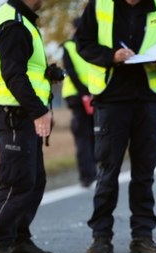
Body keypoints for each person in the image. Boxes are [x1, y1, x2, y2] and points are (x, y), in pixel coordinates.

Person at [75, 0, 156, 253]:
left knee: (144, 172)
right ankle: (101, 236)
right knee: (108, 170)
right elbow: (83, 44)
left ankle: (142, 236)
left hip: (148, 100)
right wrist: (111, 56)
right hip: (112, 99)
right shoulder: (99, 5)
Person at [0, 0, 60, 253]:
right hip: (14, 114)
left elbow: (25, 68)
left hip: (21, 112)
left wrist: (48, 74)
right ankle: (2, 243)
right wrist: (39, 111)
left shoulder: (23, 19)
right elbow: (13, 75)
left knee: (34, 179)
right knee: (17, 178)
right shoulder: (14, 25)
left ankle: (19, 239)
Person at [61, 18, 97, 187]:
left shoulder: (69, 46)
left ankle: (88, 176)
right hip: (88, 95)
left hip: (80, 95)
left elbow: (71, 72)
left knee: (84, 137)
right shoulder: (94, 43)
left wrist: (85, 93)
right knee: (90, 136)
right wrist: (87, 93)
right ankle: (91, 174)